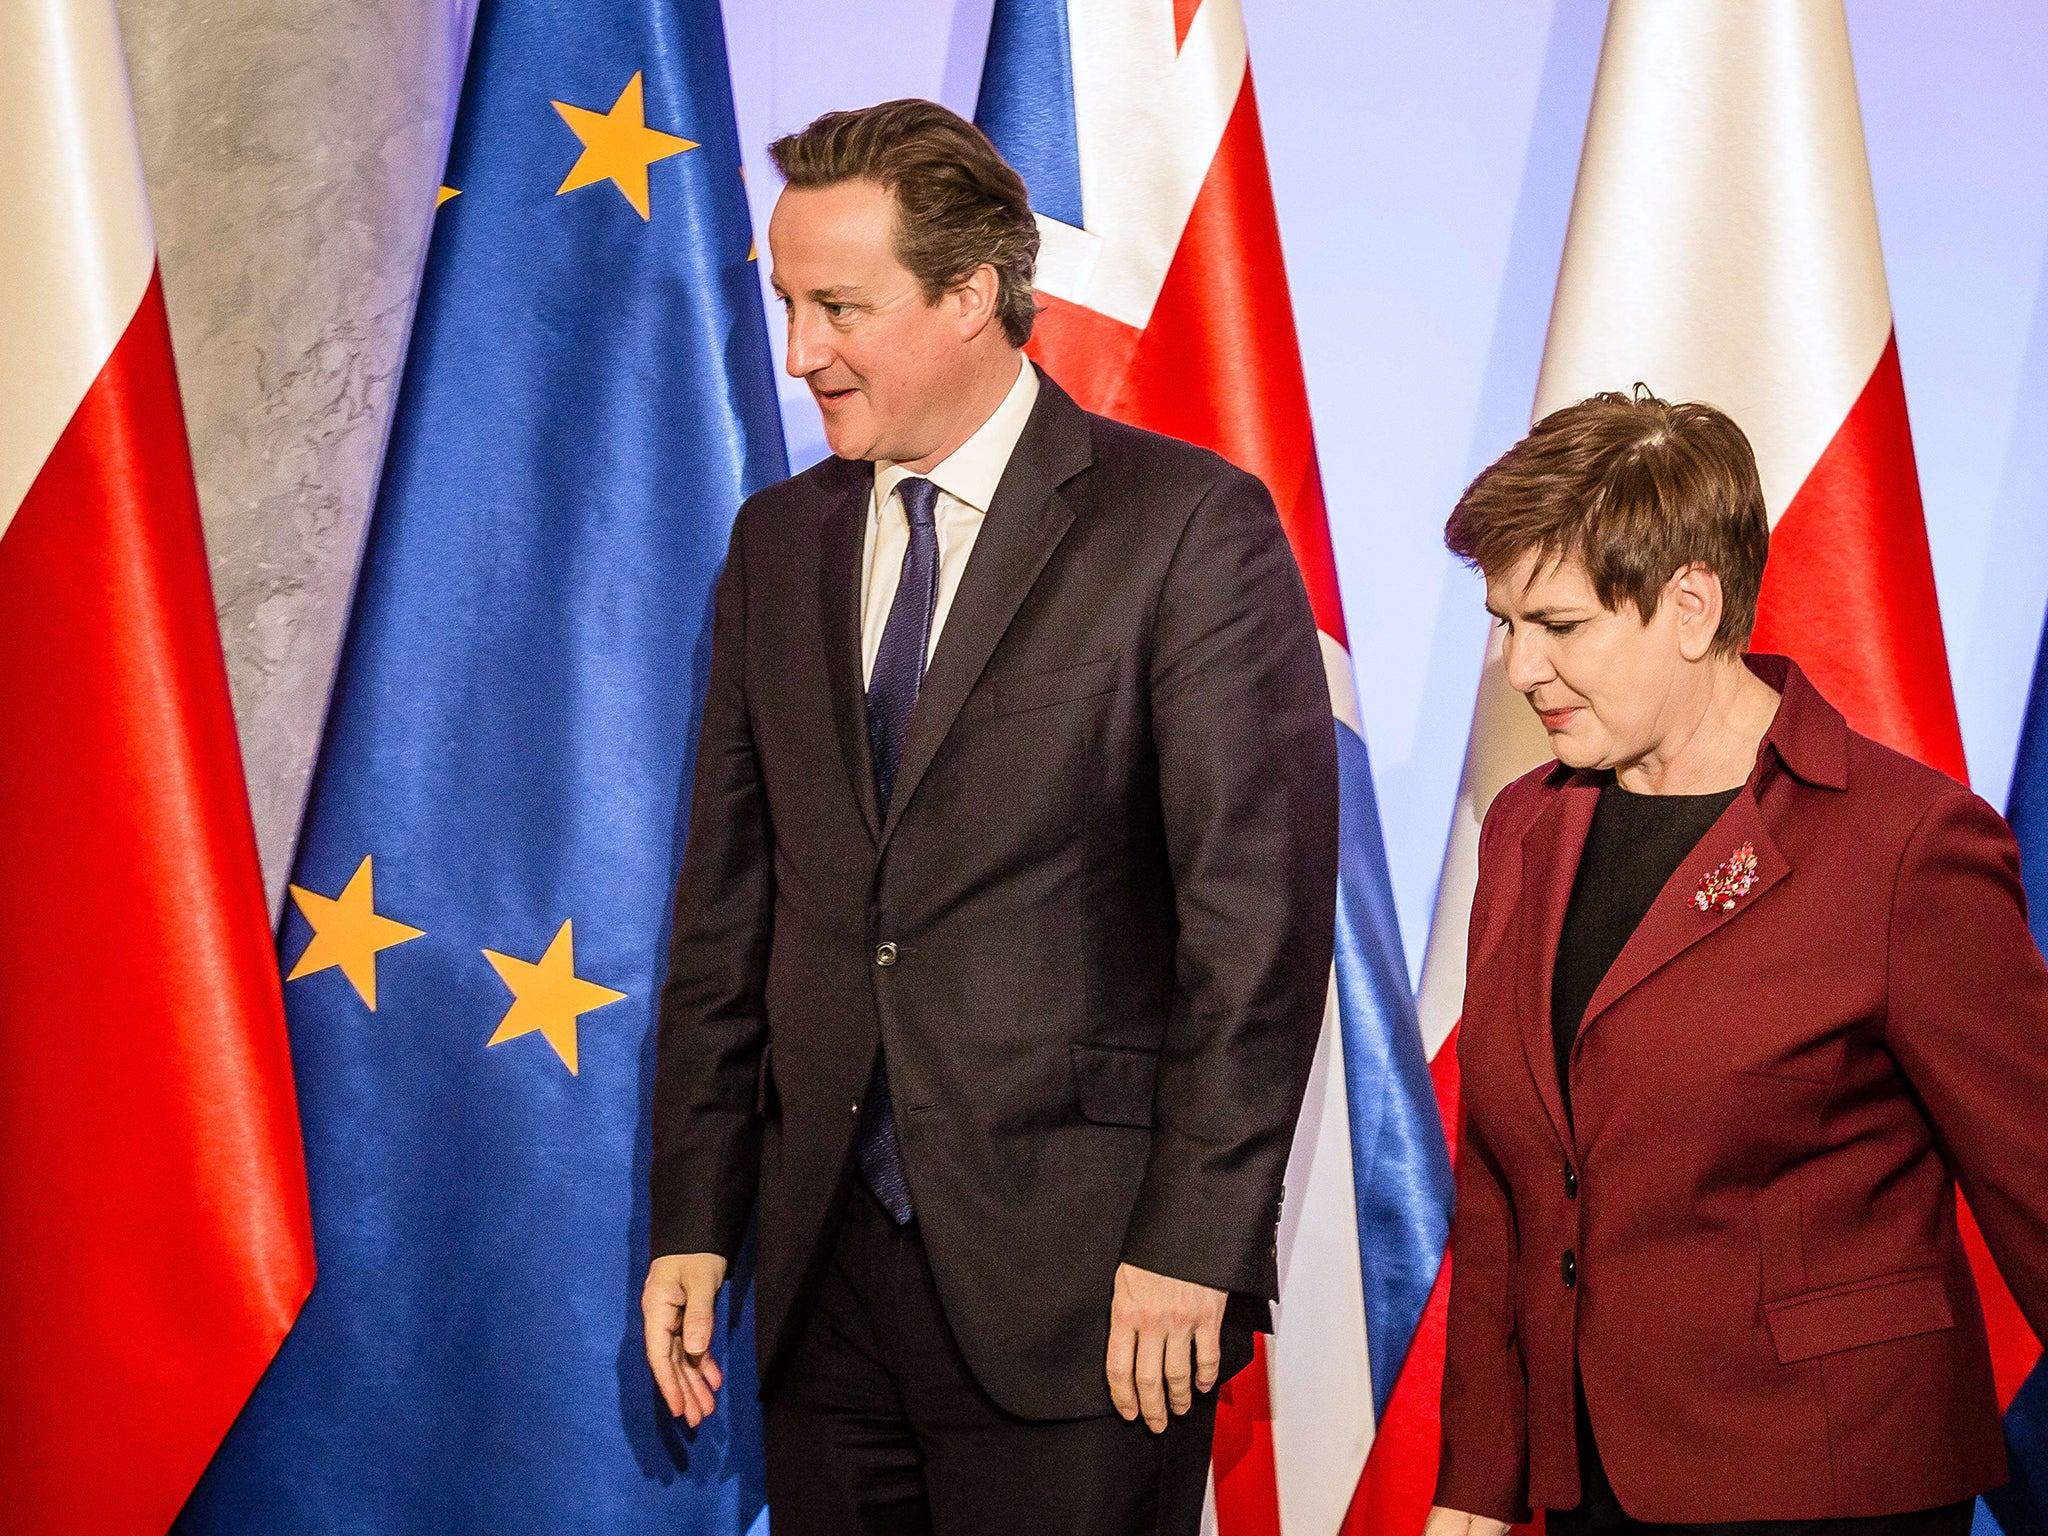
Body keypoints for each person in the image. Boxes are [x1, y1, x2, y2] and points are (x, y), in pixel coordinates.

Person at [640, 99, 1337, 1535]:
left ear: (972, 295)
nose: (797, 354)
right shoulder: (778, 543)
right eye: (786, 304)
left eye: (839, 306)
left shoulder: (1187, 525)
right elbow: (726, 912)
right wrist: (698, 1218)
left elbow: (1254, 932)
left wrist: (1194, 1246)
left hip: (1092, 1295)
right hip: (823, 1281)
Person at [1425, 389, 2048, 1536]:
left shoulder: (1903, 846)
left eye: (1557, 626)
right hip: (1589, 1486)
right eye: (1502, 624)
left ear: (1690, 605)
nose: (1518, 668)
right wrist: (1475, 1476)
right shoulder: (1523, 825)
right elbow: (1503, 1186)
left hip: (1827, 1478)